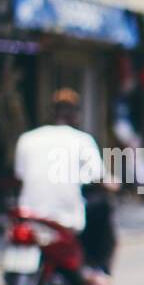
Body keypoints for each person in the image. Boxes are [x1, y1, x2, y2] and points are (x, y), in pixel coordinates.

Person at [13, 87, 102, 240]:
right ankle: (95, 263)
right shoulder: (83, 140)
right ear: (76, 115)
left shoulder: (28, 138)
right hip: (67, 220)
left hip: (28, 216)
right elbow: (98, 176)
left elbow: (19, 176)